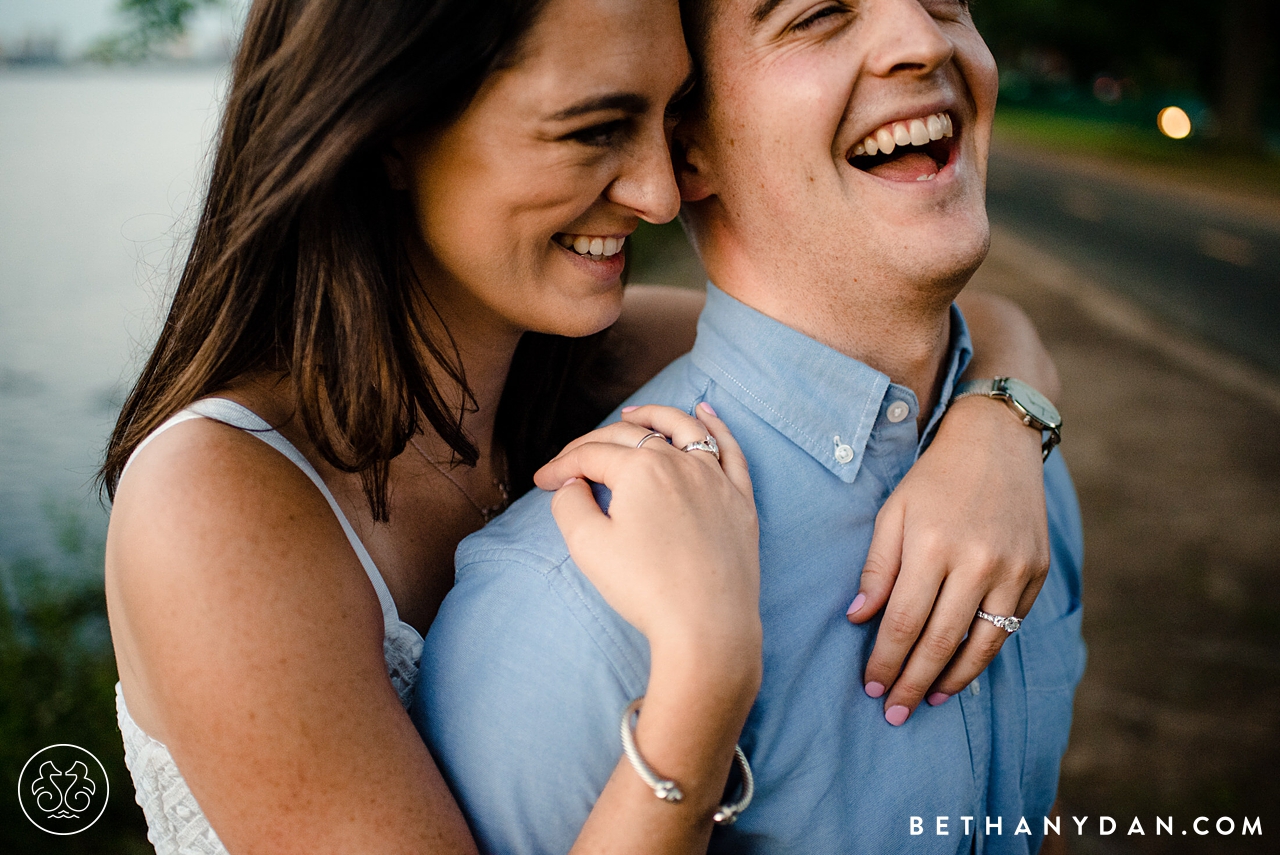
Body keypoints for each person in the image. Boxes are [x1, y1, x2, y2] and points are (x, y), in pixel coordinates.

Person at [102, 0, 1062, 851]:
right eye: (594, 130)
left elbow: (899, 343)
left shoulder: (603, 353)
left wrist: (1001, 428)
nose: (657, 190)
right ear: (387, 132)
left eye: (667, 112)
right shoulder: (214, 505)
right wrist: (704, 675)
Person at [414, 0, 1086, 853]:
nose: (922, 39)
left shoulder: (1020, 464)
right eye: (817, 15)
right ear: (686, 148)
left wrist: (1010, 415)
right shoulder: (562, 615)